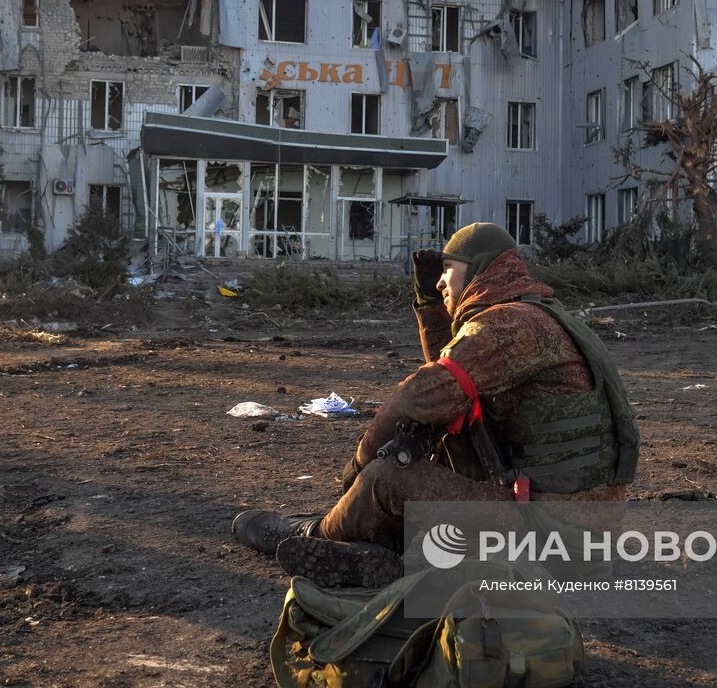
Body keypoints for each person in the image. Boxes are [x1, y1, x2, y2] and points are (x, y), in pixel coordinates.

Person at [233, 222, 638, 586]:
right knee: (443, 440)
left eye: (448, 269)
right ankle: (378, 551)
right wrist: (431, 305)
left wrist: (359, 464)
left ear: (479, 269)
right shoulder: (539, 317)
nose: (441, 281)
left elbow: (419, 395)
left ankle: (309, 536)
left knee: (389, 477)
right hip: (575, 536)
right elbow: (453, 377)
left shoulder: (509, 324)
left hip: (550, 541)